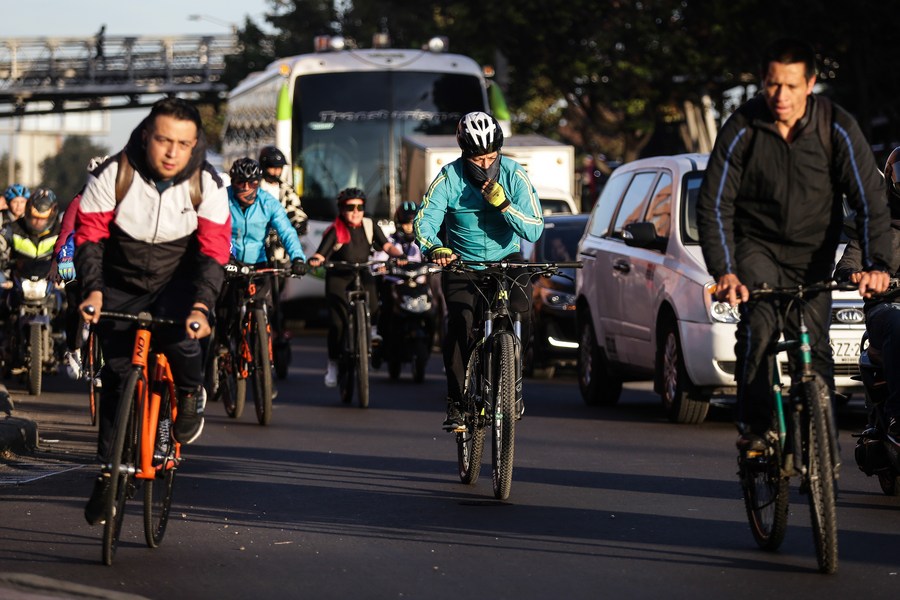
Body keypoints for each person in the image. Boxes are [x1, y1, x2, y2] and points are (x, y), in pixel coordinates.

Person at [696, 37, 893, 456]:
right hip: (755, 247)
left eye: (790, 85)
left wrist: (878, 262)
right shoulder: (743, 127)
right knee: (761, 330)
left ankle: (818, 442)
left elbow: (869, 198)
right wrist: (725, 271)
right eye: (771, 85)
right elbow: (714, 203)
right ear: (762, 84)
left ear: (810, 84)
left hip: (813, 250)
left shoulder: (836, 126)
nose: (780, 96)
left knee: (813, 344)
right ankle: (758, 428)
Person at [75, 97, 231, 525]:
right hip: (120, 282)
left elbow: (214, 253)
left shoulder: (208, 184)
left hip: (176, 281)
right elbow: (88, 235)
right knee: (117, 374)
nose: (171, 153)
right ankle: (109, 473)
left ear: (195, 143)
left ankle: (188, 394)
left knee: (183, 341)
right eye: (163, 140)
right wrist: (93, 292)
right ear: (147, 135)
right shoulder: (114, 172)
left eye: (183, 144)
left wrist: (202, 305)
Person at [414, 111, 544, 430]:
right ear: (464, 153)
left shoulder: (514, 174)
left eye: (490, 157)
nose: (485, 164)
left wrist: (505, 206)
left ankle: (512, 383)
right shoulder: (449, 177)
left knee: (522, 311)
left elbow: (535, 228)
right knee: (461, 321)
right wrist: (435, 248)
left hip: (506, 260)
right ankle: (458, 402)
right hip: (461, 264)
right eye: (478, 159)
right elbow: (424, 221)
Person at [306, 188, 404, 387]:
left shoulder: (369, 225)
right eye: (351, 207)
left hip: (361, 271)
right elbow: (321, 254)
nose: (356, 211)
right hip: (339, 275)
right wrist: (315, 260)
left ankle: (373, 331)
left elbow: (386, 246)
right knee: (337, 324)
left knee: (375, 300)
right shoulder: (335, 229)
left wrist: (399, 255)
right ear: (342, 209)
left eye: (360, 207)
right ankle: (333, 364)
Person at [835, 147, 900, 436]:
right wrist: (858, 275)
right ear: (891, 179)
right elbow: (846, 267)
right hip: (885, 310)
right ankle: (898, 416)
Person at [214, 158, 306, 354]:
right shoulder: (222, 199)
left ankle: (262, 352)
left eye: (252, 183)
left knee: (266, 306)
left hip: (258, 262)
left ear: (259, 182)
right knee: (224, 307)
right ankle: (222, 345)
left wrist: (298, 258)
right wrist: (224, 257)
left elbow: (287, 231)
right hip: (230, 259)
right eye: (240, 182)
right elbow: (214, 231)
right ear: (233, 182)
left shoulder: (268, 202)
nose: (246, 188)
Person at [53, 156, 110, 381]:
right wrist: (61, 262)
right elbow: (65, 233)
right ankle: (74, 348)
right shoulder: (79, 202)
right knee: (75, 300)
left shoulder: (123, 201)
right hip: (77, 257)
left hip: (108, 259)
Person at [257, 145, 308, 370]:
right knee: (261, 294)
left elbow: (297, 211)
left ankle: (278, 331)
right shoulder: (255, 188)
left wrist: (298, 222)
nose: (276, 172)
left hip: (280, 254)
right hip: (257, 252)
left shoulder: (285, 189)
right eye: (273, 167)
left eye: (279, 168)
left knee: (279, 298)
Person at [0, 188, 62, 372]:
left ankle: (69, 349)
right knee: (3, 304)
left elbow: (73, 250)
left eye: (42, 219)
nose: (37, 223)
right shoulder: (13, 228)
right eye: (34, 218)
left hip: (49, 281)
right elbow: (1, 242)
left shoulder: (61, 230)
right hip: (19, 280)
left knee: (68, 305)